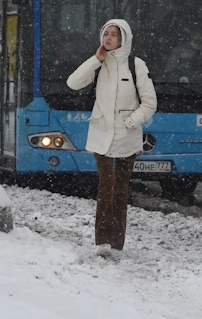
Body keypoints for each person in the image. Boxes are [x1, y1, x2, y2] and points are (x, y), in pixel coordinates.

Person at [67, 19, 157, 257]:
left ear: (123, 38)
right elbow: (73, 82)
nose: (108, 38)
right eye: (105, 34)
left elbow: (150, 103)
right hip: (101, 136)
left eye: (113, 35)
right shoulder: (99, 63)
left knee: (120, 190)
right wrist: (96, 59)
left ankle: (118, 243)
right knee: (105, 187)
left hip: (127, 138)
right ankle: (103, 242)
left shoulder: (136, 65)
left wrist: (131, 121)